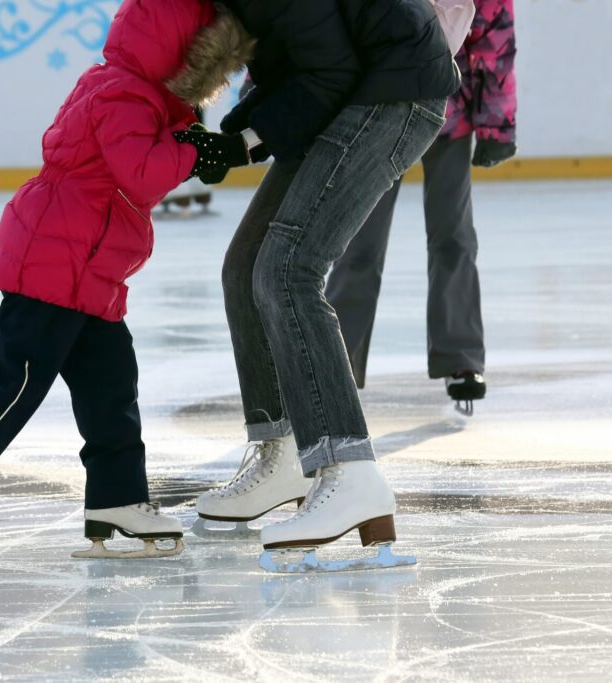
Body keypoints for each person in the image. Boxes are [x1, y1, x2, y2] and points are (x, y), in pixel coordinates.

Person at [0, 0, 255, 563]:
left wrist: (196, 142)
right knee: (13, 388)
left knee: (111, 389)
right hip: (54, 267)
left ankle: (117, 501)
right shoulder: (123, 95)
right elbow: (142, 173)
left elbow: (152, 159)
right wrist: (199, 150)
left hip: (90, 274)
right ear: (183, 56)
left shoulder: (133, 92)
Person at [174, 0, 460, 570]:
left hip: (395, 91)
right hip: (355, 85)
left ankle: (350, 471)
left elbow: (327, 71)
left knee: (288, 270)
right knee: (246, 266)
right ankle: (281, 452)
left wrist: (243, 142)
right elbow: (295, 60)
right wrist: (237, 134)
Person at [325, 0, 517, 415]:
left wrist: (496, 123)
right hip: (376, 110)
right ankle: (335, 362)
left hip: (449, 111)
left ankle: (460, 358)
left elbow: (494, 36)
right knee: (358, 242)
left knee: (453, 236)